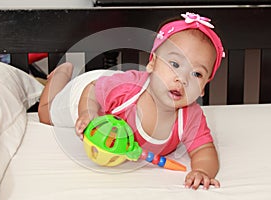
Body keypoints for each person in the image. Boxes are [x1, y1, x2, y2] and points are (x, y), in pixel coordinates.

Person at [38, 12, 224, 190]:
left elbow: (204, 149)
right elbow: (93, 89)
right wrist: (88, 113)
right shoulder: (129, 89)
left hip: (113, 87)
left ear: (202, 88)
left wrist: (201, 171)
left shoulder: (191, 116)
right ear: (152, 64)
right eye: (174, 64)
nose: (182, 79)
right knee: (46, 114)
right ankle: (61, 73)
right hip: (93, 92)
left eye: (196, 74)